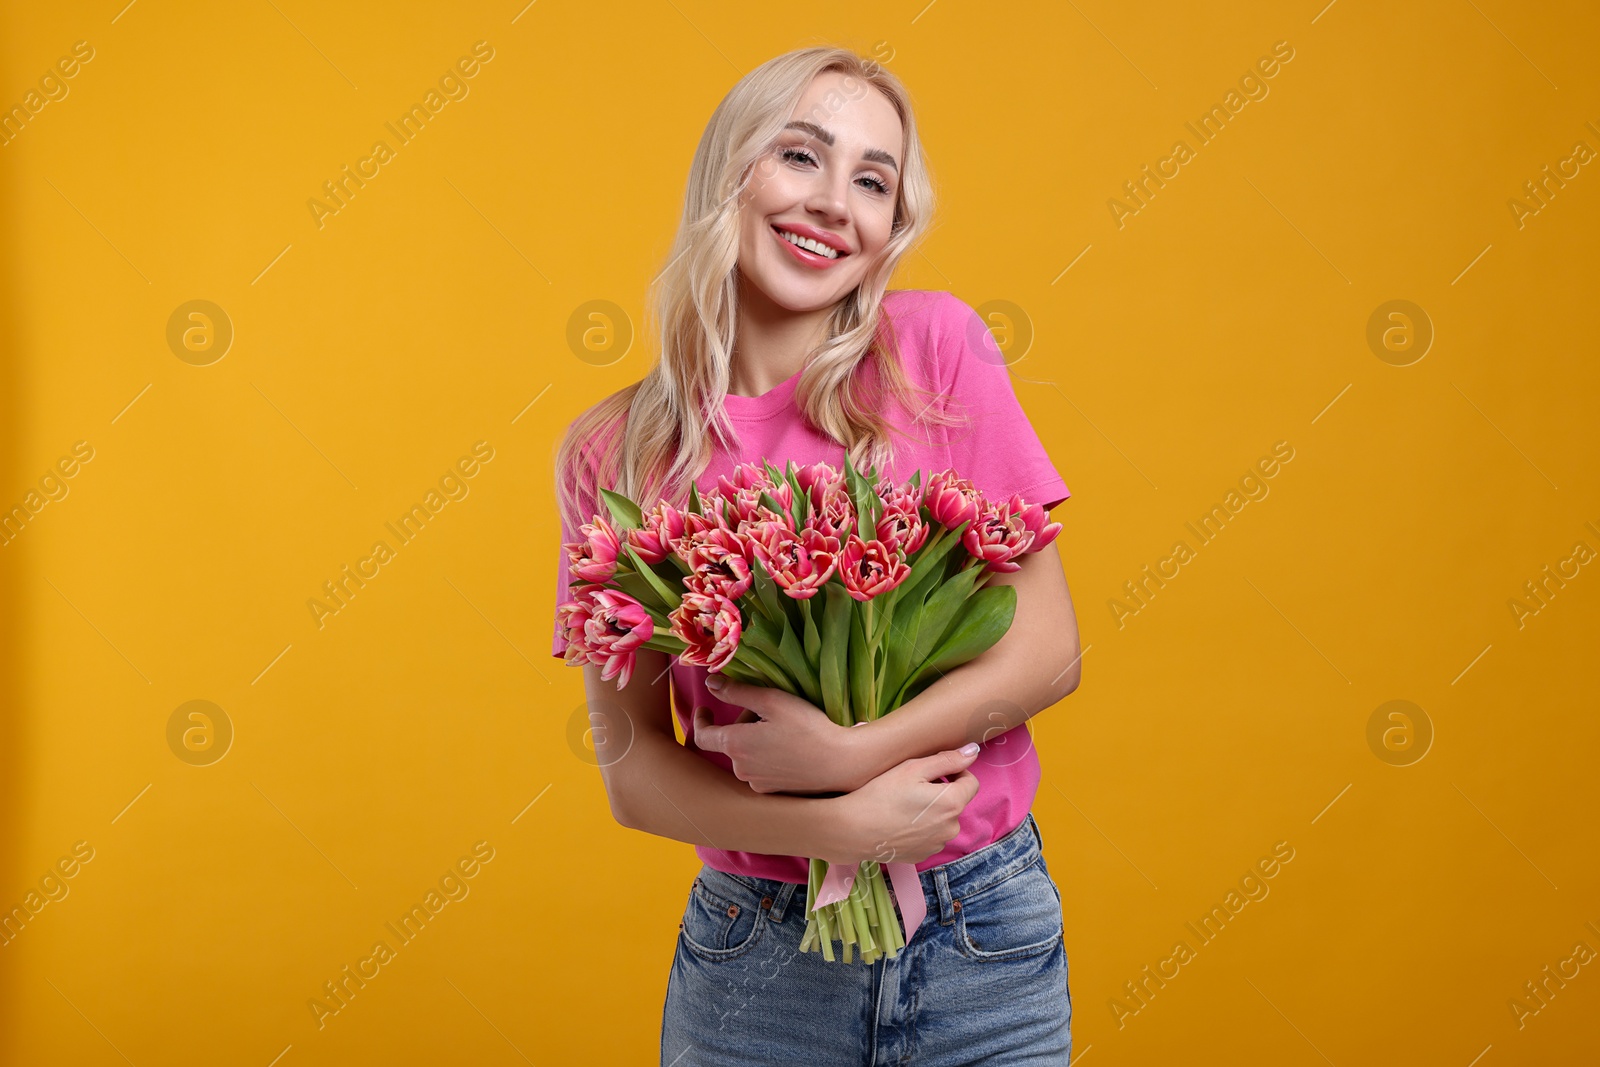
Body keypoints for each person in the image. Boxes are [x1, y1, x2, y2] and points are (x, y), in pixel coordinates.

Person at [552, 45, 1083, 1066]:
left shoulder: (935, 351)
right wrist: (835, 832)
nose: (836, 202)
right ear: (731, 174)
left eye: (873, 180)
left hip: (982, 929)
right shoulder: (617, 452)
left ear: (891, 225)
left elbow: (1048, 653)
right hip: (757, 950)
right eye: (802, 156)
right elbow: (630, 761)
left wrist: (850, 760)